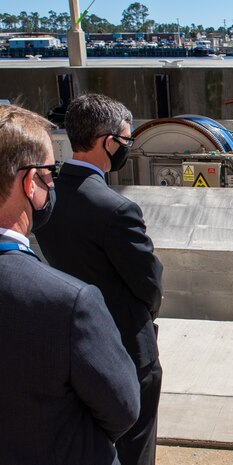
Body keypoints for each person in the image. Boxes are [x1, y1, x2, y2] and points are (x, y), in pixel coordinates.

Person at [0, 104, 140, 464]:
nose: (53, 182)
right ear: (30, 183)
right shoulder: (69, 303)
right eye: (50, 172)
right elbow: (123, 408)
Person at [35, 94, 164, 465]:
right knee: (136, 441)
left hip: (71, 344)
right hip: (126, 344)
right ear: (109, 142)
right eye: (125, 140)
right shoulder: (117, 209)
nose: (126, 148)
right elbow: (149, 281)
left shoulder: (48, 195)